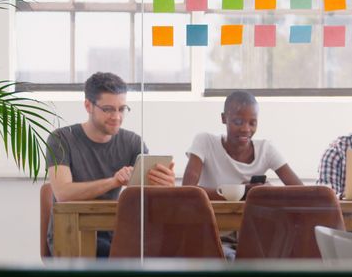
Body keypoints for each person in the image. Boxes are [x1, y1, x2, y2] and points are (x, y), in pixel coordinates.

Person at [46, 72, 175, 257]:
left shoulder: (132, 142)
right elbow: (63, 193)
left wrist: (166, 186)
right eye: (108, 109)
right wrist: (113, 182)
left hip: (115, 233)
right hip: (70, 233)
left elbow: (148, 199)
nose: (116, 117)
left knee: (163, 253)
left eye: (122, 109)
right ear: (88, 105)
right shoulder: (61, 139)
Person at [182, 90, 302, 197]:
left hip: (251, 220)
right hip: (211, 219)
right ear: (224, 118)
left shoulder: (266, 149)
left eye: (252, 123)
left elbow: (301, 191)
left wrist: (269, 191)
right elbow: (188, 189)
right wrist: (242, 192)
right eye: (238, 121)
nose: (246, 129)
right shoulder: (205, 141)